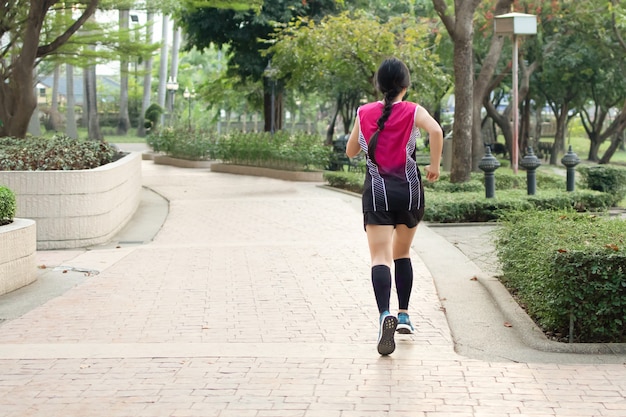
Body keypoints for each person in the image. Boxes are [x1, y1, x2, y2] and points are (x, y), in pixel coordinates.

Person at [345, 57, 443, 355]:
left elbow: (350, 152)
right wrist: (435, 166)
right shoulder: (414, 110)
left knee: (380, 257)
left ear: (379, 85)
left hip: (377, 193)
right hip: (410, 193)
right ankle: (404, 316)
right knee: (402, 253)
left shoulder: (364, 112)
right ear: (405, 85)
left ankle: (384, 314)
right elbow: (436, 131)